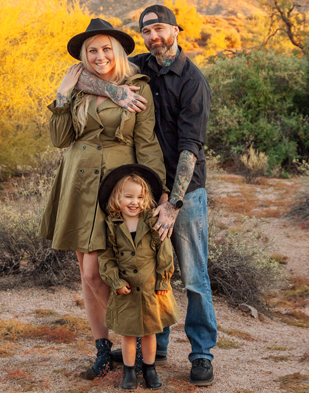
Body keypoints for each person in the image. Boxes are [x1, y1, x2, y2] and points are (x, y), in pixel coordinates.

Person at [75, 5, 217, 386]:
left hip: (183, 194)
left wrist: (171, 203)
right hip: (143, 190)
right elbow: (80, 75)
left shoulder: (192, 81)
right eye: (147, 31)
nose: (153, 36)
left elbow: (191, 148)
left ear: (175, 30)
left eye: (159, 29)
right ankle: (158, 346)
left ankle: (202, 353)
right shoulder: (140, 65)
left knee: (193, 277)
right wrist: (116, 91)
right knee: (153, 271)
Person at [40, 18, 166, 380]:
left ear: (119, 51)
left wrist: (159, 194)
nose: (99, 56)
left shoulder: (135, 87)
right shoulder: (78, 87)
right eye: (92, 50)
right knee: (85, 272)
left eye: (106, 48)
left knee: (99, 273)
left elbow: (146, 144)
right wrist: (62, 95)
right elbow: (60, 139)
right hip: (76, 183)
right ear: (84, 55)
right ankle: (102, 350)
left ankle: (137, 341)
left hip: (114, 186)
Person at [97, 164, 181, 390]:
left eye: (140, 197)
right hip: (125, 290)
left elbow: (164, 251)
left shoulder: (150, 220)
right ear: (118, 198)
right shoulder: (112, 225)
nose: (134, 202)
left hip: (150, 288)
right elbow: (107, 257)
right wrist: (115, 281)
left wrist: (163, 280)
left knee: (150, 332)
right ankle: (129, 371)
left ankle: (149, 368)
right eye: (128, 196)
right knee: (127, 334)